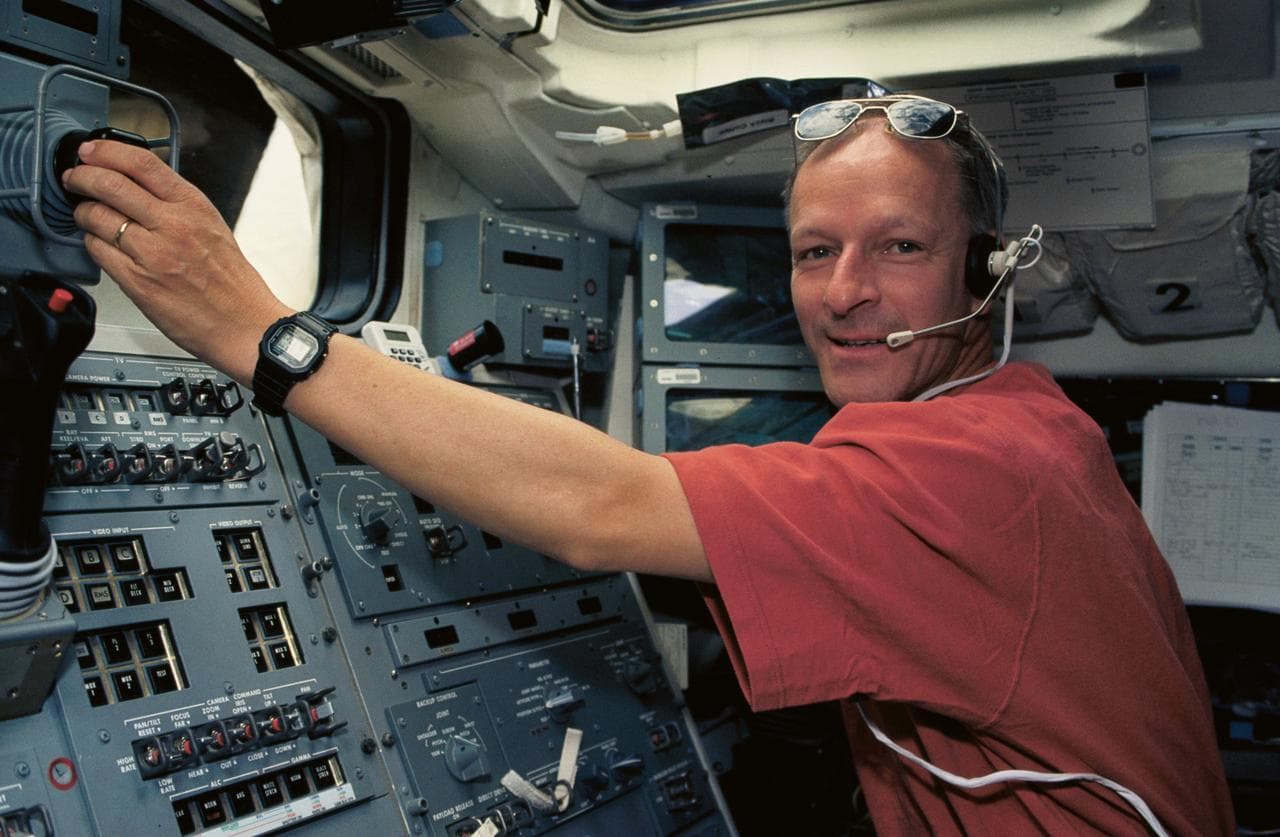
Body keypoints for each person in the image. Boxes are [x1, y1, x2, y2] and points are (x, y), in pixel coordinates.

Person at [62, 93, 1234, 834]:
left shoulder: (968, 468)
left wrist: (257, 332)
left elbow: (596, 506)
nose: (841, 294)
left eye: (899, 248)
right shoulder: (1025, 421)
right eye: (813, 251)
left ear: (984, 270)